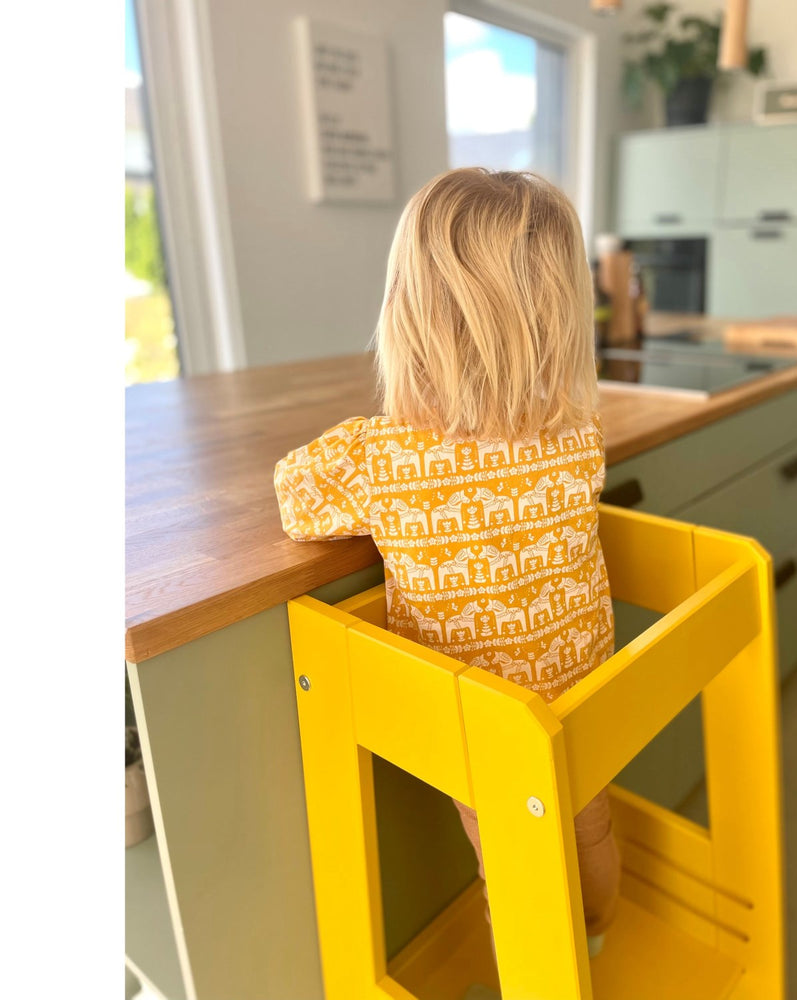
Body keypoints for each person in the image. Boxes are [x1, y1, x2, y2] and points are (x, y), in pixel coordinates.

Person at [274, 168, 621, 994]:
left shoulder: (377, 458)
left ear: (409, 312)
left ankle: (546, 977)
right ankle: (597, 936)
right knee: (590, 824)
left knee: (510, 861)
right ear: (561, 314)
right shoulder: (580, 438)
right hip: (587, 692)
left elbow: (294, 498)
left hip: (480, 722)